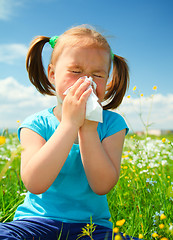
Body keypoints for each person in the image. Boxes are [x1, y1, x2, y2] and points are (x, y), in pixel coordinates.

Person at [0, 25, 141, 240]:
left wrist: (88, 128)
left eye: (98, 75)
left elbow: (102, 186)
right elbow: (35, 184)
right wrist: (68, 125)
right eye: (75, 71)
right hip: (36, 223)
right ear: (53, 74)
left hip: (93, 227)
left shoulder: (112, 124)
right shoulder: (35, 125)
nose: (87, 81)